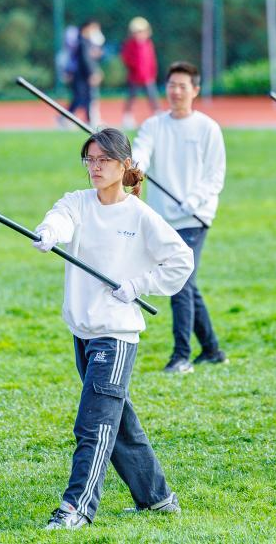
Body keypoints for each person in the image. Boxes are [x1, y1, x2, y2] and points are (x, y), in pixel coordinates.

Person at [33, 128, 192, 530]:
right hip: (82, 330)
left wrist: (138, 286)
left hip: (115, 335)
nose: (95, 166)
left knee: (94, 424)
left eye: (104, 159)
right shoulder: (78, 202)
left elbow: (181, 260)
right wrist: (49, 233)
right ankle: (158, 499)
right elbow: (60, 218)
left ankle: (76, 508)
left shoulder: (140, 216)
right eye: (90, 159)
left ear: (124, 165)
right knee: (118, 423)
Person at [132, 61, 227, 374]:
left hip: (194, 217)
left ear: (195, 90)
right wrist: (136, 166)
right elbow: (142, 152)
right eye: (171, 85)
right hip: (162, 219)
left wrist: (194, 200)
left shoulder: (208, 128)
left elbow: (215, 176)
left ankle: (181, 356)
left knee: (180, 281)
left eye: (182, 86)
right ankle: (212, 350)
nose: (175, 91)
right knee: (188, 283)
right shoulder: (154, 125)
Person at [120, 17, 160, 129]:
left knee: (152, 96)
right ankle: (127, 117)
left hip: (148, 77)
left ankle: (157, 114)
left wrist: (153, 72)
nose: (139, 34)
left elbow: (152, 60)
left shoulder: (148, 44)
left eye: (141, 31)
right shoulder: (130, 44)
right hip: (134, 77)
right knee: (131, 97)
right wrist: (134, 68)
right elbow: (126, 58)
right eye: (137, 32)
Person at [67, 21, 104, 125]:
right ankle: (65, 118)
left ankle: (89, 119)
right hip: (81, 75)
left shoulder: (86, 42)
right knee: (80, 98)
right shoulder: (82, 42)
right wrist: (92, 73)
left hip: (84, 74)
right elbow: (85, 60)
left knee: (88, 97)